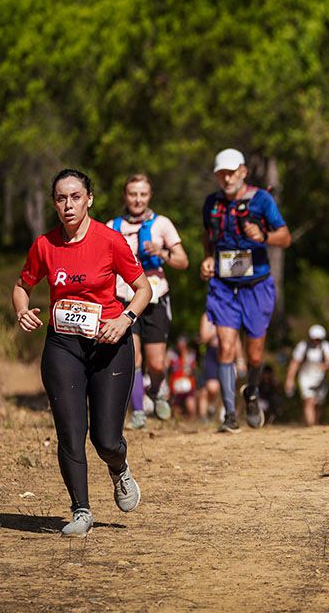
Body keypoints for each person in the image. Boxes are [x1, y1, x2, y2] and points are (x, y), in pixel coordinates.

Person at [11, 169, 153, 537]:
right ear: (54, 203)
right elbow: (22, 285)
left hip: (109, 345)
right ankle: (81, 511)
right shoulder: (45, 245)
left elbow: (143, 289)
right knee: (70, 432)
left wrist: (124, 320)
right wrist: (22, 310)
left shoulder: (110, 240)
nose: (68, 205)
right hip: (63, 346)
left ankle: (119, 468)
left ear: (89, 198)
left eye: (75, 197)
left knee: (105, 440)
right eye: (61, 198)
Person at [200, 148, 292, 433]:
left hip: (257, 285)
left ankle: (251, 392)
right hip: (224, 286)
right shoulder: (211, 203)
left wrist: (263, 236)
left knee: (254, 355)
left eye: (231, 173)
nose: (227, 179)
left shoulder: (261, 199)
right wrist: (207, 258)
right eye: (221, 174)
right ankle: (229, 414)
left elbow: (285, 237)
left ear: (243, 171)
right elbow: (207, 236)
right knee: (226, 348)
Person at [109, 174, 189, 430]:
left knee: (156, 363)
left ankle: (155, 390)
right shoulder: (112, 226)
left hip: (156, 297)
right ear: (125, 196)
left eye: (143, 194)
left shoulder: (162, 224)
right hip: (125, 298)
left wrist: (161, 252)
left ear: (150, 196)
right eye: (133, 194)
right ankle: (138, 412)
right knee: (133, 359)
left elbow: (183, 261)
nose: (138, 199)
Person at [285, 324, 329, 427]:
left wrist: (326, 365)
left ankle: (315, 424)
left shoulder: (326, 346)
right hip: (306, 377)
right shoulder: (302, 346)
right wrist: (289, 379)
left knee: (318, 403)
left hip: (321, 378)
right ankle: (311, 425)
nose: (316, 341)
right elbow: (294, 363)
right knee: (309, 400)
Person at [166, 334, 197, 419]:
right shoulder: (172, 354)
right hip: (175, 386)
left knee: (191, 407)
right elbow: (165, 367)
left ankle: (192, 422)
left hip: (188, 386)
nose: (181, 346)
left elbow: (194, 370)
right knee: (176, 410)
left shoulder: (191, 355)